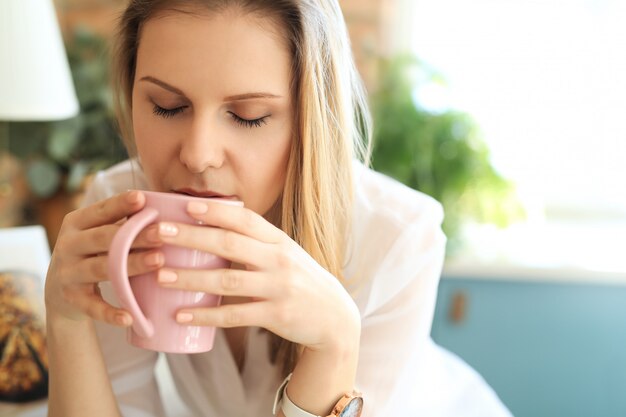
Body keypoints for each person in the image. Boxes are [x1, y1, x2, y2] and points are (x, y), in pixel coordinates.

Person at [44, 1, 511, 416]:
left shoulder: (396, 236)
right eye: (167, 106)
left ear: (311, 118)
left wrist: (335, 346)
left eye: (248, 116)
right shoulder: (118, 212)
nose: (198, 154)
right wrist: (66, 322)